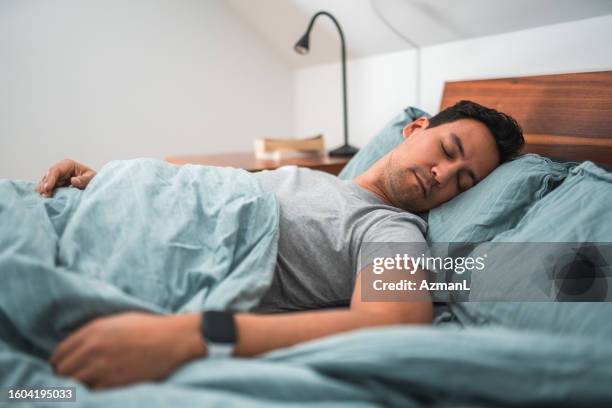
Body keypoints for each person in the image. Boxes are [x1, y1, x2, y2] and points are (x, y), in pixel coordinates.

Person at [36, 100, 524, 389]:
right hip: (71, 211)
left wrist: (198, 337)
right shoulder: (311, 178)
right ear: (417, 128)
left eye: (462, 183)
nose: (442, 176)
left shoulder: (391, 230)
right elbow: (196, 198)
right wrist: (102, 185)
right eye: (448, 151)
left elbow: (394, 322)